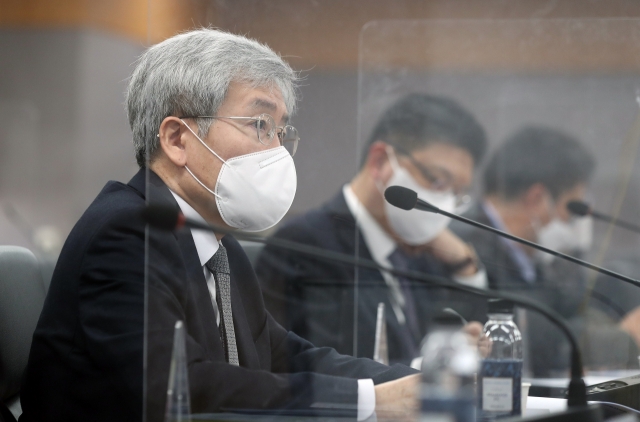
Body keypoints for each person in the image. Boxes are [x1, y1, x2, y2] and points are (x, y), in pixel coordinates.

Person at [19, 29, 421, 422]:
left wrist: (417, 386)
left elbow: (286, 357)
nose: (278, 151)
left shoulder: (221, 250)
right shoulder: (124, 234)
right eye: (260, 125)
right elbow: (180, 386)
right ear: (177, 139)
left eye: (281, 131)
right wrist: (369, 401)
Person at [256, 93, 488, 367]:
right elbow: (325, 370)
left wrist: (464, 265)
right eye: (438, 181)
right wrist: (429, 369)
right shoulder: (304, 246)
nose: (445, 202)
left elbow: (461, 335)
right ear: (380, 161)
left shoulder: (423, 253)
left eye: (456, 194)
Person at [451, 126, 639, 375]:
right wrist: (623, 338)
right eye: (572, 211)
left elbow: (571, 309)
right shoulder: (466, 248)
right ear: (536, 198)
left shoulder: (535, 256)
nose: (575, 224)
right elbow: (531, 337)